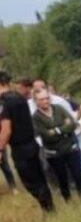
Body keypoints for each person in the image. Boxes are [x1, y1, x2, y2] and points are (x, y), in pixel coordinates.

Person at [0, 71, 55, 212]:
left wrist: (0, 150)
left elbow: (6, 130)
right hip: (32, 144)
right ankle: (50, 209)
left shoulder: (5, 102)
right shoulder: (19, 97)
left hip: (20, 149)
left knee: (30, 182)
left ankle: (48, 209)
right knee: (39, 178)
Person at [31, 88, 81, 201]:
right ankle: (68, 200)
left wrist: (55, 130)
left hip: (71, 148)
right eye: (41, 99)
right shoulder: (36, 117)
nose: (45, 101)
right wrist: (63, 128)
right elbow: (46, 135)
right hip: (54, 153)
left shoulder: (59, 108)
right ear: (36, 101)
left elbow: (72, 124)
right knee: (62, 178)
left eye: (47, 98)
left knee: (78, 175)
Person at [29, 79, 81, 174]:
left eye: (41, 88)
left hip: (67, 139)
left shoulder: (59, 101)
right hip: (44, 143)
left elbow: (71, 121)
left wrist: (57, 130)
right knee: (50, 167)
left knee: (78, 160)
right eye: (36, 89)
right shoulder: (29, 104)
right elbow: (38, 128)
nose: (39, 90)